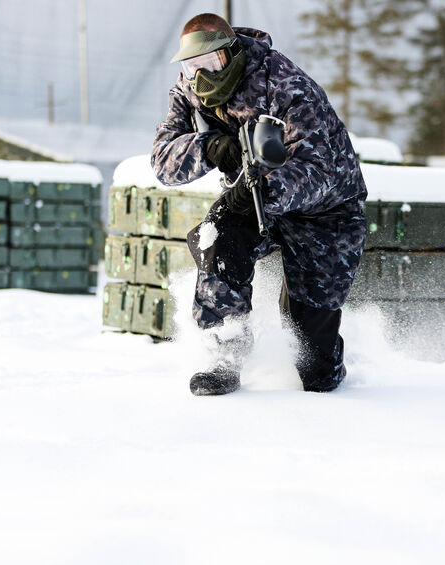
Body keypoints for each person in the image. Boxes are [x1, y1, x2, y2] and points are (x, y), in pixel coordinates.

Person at [151, 13, 367, 396]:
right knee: (218, 237)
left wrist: (262, 193)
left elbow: (321, 170)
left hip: (326, 212)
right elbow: (163, 163)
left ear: (232, 55)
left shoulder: (286, 85)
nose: (199, 76)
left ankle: (327, 368)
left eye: (209, 64)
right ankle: (224, 357)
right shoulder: (188, 90)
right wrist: (210, 147)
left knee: (314, 362)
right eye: (190, 66)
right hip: (250, 197)